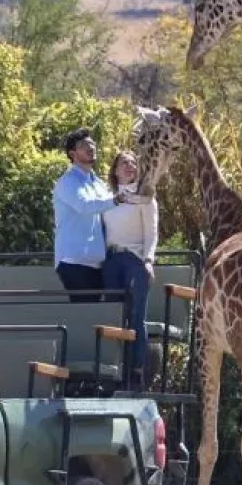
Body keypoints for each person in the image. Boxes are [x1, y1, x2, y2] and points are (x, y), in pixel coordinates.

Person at [52, 127, 136, 302]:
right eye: (84, 145)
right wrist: (116, 200)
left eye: (92, 144)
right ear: (72, 153)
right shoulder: (67, 182)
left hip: (98, 264)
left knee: (97, 317)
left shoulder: (98, 183)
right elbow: (85, 205)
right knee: (86, 316)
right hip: (74, 263)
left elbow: (111, 213)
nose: (91, 148)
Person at [102, 150, 158, 387]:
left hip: (135, 259)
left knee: (136, 317)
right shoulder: (107, 197)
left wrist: (148, 260)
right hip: (112, 260)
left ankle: (135, 371)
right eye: (124, 163)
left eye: (134, 162)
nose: (129, 166)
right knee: (112, 315)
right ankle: (111, 370)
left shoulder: (145, 198)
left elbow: (152, 232)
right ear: (115, 170)